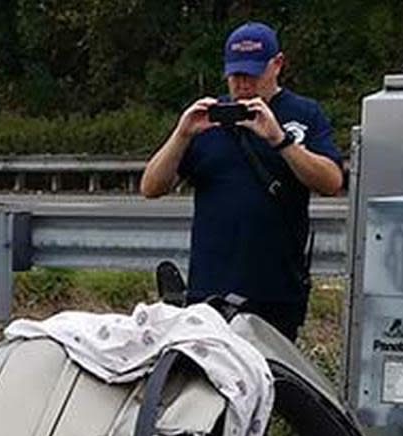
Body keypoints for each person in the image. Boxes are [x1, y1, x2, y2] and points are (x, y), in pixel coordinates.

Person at [140, 21, 344, 342]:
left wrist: (280, 140)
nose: (243, 84)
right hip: (211, 291)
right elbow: (151, 187)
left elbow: (331, 182)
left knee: (272, 384)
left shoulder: (304, 113)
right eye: (236, 76)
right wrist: (182, 134)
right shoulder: (207, 120)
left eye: (252, 74)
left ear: (276, 65)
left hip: (277, 291)